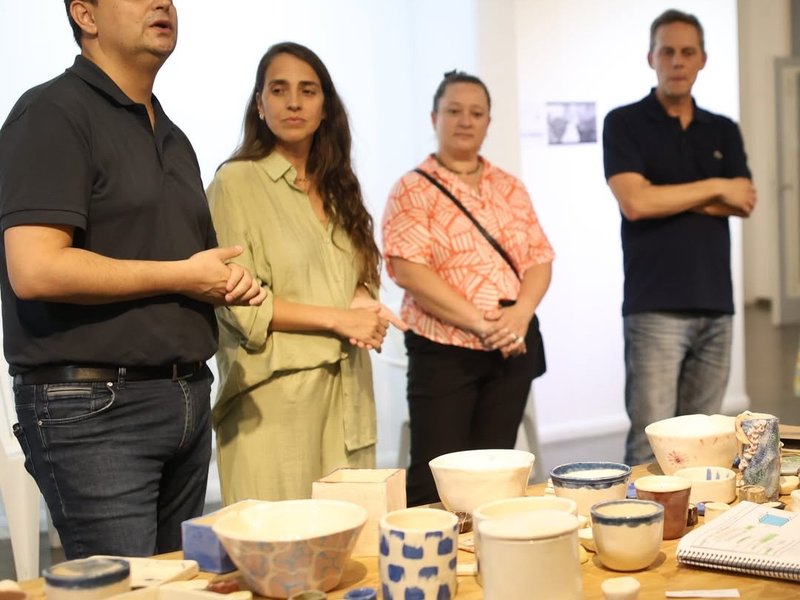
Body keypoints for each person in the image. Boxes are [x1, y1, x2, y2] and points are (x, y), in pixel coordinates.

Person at [0, 0, 266, 559]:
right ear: (86, 16)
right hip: (94, 406)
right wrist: (183, 275)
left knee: (176, 586)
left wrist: (224, 279)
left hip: (185, 396)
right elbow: (36, 268)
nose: (163, 3)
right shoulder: (51, 112)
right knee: (124, 589)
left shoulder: (172, 134)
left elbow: (180, 262)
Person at [207, 41, 406, 503]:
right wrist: (340, 319)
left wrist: (360, 295)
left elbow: (355, 273)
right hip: (275, 405)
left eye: (308, 90)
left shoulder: (339, 187)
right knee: (279, 543)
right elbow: (243, 307)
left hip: (350, 395)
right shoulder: (234, 182)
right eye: (279, 90)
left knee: (355, 539)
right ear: (260, 105)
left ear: (325, 107)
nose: (293, 102)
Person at [382, 71, 554, 506]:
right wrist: (481, 323)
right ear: (434, 117)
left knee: (496, 472)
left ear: (488, 122)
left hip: (510, 348)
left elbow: (539, 258)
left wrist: (520, 314)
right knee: (436, 474)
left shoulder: (509, 187)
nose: (465, 120)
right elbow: (407, 269)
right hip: (444, 350)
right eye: (454, 111)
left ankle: (488, 545)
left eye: (476, 113)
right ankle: (432, 548)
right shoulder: (412, 189)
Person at [603, 9, 757, 466]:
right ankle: (639, 513)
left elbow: (744, 200)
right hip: (654, 308)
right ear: (651, 57)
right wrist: (715, 186)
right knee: (649, 443)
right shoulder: (624, 122)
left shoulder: (722, 129)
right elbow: (635, 203)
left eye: (687, 52)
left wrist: (664, 193)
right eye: (667, 51)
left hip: (716, 306)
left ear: (702, 59)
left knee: (704, 445)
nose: (677, 61)